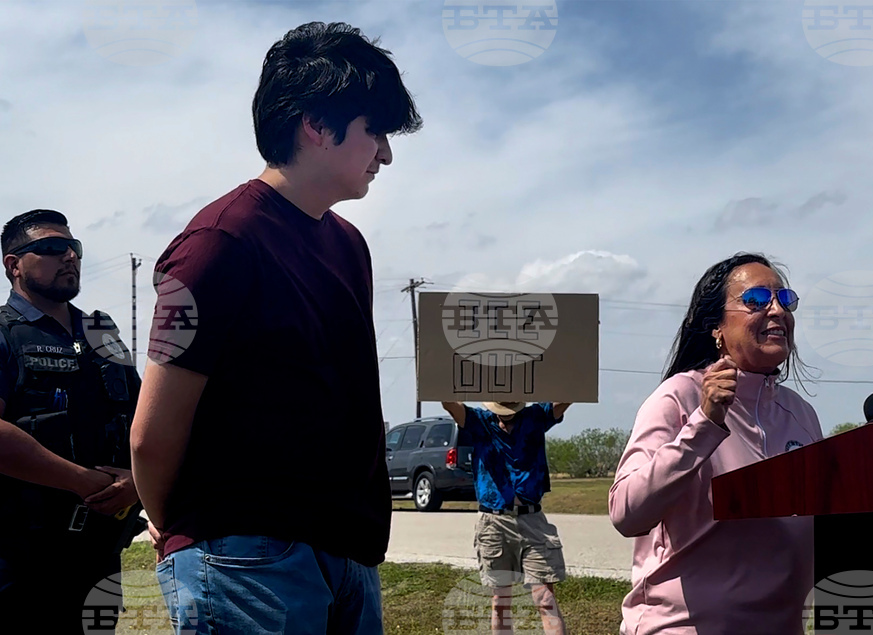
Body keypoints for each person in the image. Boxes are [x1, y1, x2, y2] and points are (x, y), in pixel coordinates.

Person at [129, 21, 422, 635]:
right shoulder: (216, 244)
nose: (387, 154)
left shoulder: (348, 244)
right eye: (376, 131)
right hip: (244, 560)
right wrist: (173, 528)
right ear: (316, 124)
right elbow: (151, 435)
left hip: (347, 556)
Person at [609, 252, 824, 635]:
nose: (777, 310)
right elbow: (627, 513)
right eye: (756, 300)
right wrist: (705, 424)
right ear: (716, 328)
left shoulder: (801, 414)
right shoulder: (679, 397)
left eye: (785, 299)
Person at [0, 209, 142, 634]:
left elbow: (143, 421)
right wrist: (84, 482)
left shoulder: (101, 333)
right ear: (14, 266)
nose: (68, 256)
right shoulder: (5, 334)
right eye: (48, 247)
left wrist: (137, 482)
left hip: (101, 553)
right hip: (22, 557)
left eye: (73, 247)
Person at [441, 400, 572, 635]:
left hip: (532, 521)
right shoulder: (479, 421)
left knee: (545, 599)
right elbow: (449, 404)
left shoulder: (535, 417)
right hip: (493, 522)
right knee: (500, 602)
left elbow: (565, 400)